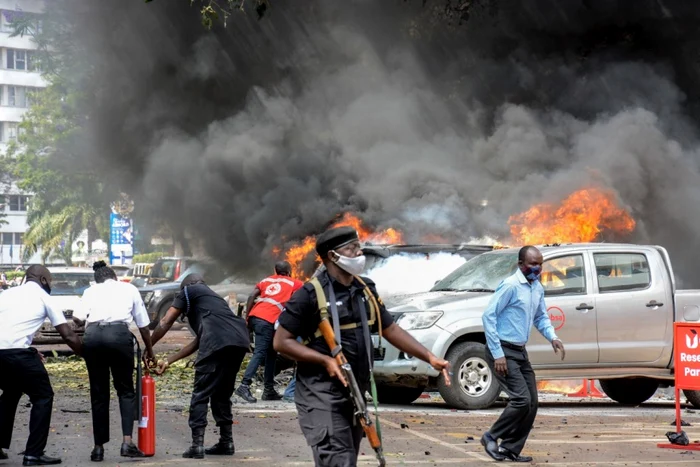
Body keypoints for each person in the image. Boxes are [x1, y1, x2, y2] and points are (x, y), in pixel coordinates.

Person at [274, 226, 452, 466]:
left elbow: (390, 329)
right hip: (321, 392)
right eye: (351, 248)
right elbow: (281, 342)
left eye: (358, 246)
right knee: (338, 457)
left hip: (356, 389)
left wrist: (430, 357)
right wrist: (325, 360)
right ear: (331, 256)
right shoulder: (310, 294)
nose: (359, 253)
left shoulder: (365, 289)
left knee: (345, 456)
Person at [150, 273, 250, 459]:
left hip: (218, 342)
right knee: (221, 393)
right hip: (239, 341)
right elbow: (198, 341)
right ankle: (226, 442)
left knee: (201, 394)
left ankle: (197, 445)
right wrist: (169, 360)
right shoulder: (214, 300)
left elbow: (165, 321)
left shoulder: (189, 289)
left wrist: (148, 348)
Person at [480, 245, 566, 463]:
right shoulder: (510, 286)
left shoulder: (536, 288)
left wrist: (553, 337)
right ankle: (491, 436)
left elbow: (541, 317)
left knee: (531, 403)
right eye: (532, 264)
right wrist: (498, 353)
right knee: (521, 400)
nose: (537, 269)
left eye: (540, 264)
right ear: (521, 264)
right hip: (503, 351)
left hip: (520, 351)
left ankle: (510, 448)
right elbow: (488, 317)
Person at [72, 261, 156, 462]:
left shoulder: (90, 291)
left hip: (93, 337)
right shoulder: (129, 288)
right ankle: (127, 442)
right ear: (114, 277)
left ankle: (98, 448)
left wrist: (86, 321)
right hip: (119, 337)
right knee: (125, 390)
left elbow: (77, 318)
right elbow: (144, 326)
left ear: (97, 279)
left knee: (99, 392)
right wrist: (150, 351)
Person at [0, 265, 83, 466]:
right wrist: (89, 355)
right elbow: (68, 335)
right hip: (18, 355)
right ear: (43, 280)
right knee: (43, 396)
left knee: (11, 393)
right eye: (51, 281)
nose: (51, 285)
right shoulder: (44, 297)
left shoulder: (6, 294)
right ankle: (33, 454)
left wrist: (29, 348)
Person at [236, 261, 303, 403]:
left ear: (275, 270)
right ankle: (244, 385)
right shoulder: (295, 283)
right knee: (260, 352)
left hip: (256, 317)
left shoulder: (266, 280)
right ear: (290, 271)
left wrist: (248, 318)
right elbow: (298, 302)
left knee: (271, 354)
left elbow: (251, 296)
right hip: (267, 320)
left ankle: (268, 390)